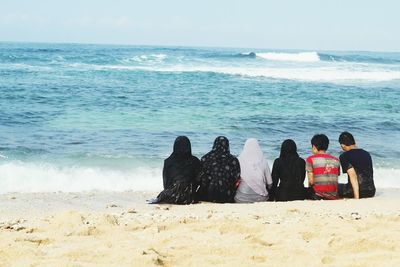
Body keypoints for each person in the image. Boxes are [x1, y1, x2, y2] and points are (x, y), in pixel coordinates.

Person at [152, 136, 201, 204]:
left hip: (169, 195)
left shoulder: (168, 161)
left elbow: (166, 181)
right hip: (189, 196)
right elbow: (199, 180)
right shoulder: (195, 161)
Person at [196, 136, 241, 203]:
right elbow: (236, 179)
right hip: (227, 196)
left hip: (206, 195)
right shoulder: (233, 160)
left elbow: (199, 179)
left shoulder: (205, 158)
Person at [338, 132, 375, 199]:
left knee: (335, 187)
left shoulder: (344, 156)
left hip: (356, 191)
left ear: (342, 145)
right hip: (371, 191)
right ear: (354, 141)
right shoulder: (366, 154)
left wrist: (356, 197)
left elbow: (353, 176)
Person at [234, 138, 272, 203]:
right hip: (260, 199)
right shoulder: (263, 161)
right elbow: (270, 183)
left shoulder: (239, 160)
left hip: (240, 199)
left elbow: (234, 179)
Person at [305, 134, 340, 200]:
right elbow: (336, 178)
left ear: (314, 147)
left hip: (318, 195)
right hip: (333, 195)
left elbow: (311, 181)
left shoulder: (310, 159)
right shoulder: (336, 160)